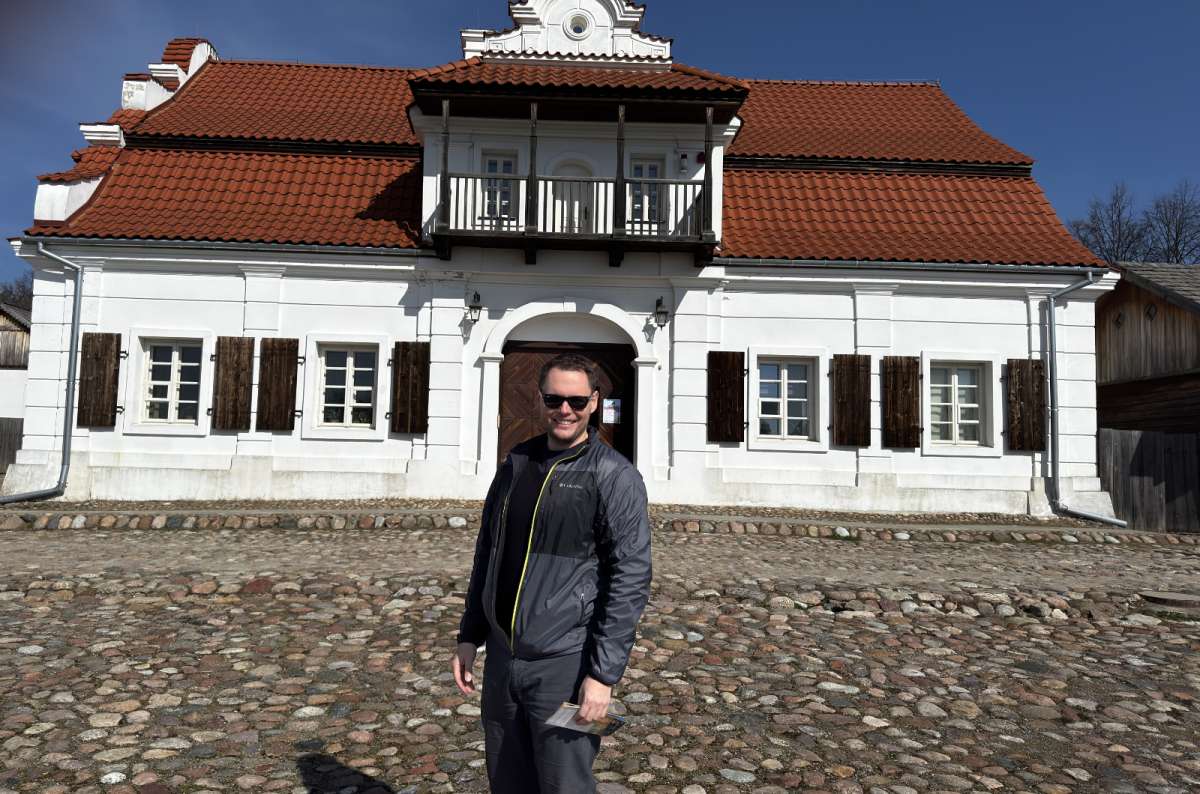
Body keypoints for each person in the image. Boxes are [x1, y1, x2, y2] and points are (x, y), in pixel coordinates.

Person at [451, 352, 653, 793]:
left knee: (565, 785)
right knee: (507, 781)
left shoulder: (613, 476)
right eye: (555, 399)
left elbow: (630, 578)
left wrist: (602, 675)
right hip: (504, 661)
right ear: (541, 400)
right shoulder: (517, 461)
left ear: (595, 402)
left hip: (565, 662)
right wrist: (471, 634)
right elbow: (489, 551)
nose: (565, 410)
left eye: (577, 401)